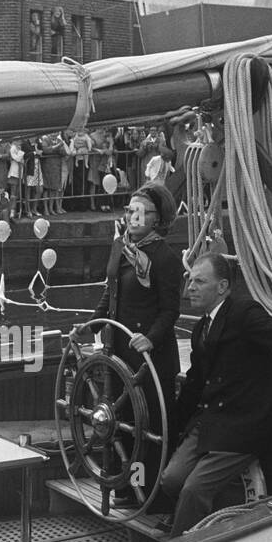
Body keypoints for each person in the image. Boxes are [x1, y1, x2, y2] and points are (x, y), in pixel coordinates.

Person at [162, 254, 272, 536]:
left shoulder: (245, 316)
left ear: (222, 287)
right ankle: (208, 529)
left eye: (200, 281)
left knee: (193, 491)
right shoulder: (201, 329)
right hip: (211, 422)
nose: (191, 288)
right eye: (190, 280)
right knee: (171, 480)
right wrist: (173, 424)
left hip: (245, 425)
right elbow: (196, 382)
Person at [90, 183, 183, 507]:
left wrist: (151, 338)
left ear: (156, 219)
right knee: (123, 423)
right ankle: (127, 489)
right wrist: (92, 324)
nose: (132, 216)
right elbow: (110, 291)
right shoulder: (120, 247)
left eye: (140, 212)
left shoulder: (165, 257)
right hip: (119, 350)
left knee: (147, 425)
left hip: (149, 355)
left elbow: (171, 310)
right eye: (129, 210)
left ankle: (149, 495)